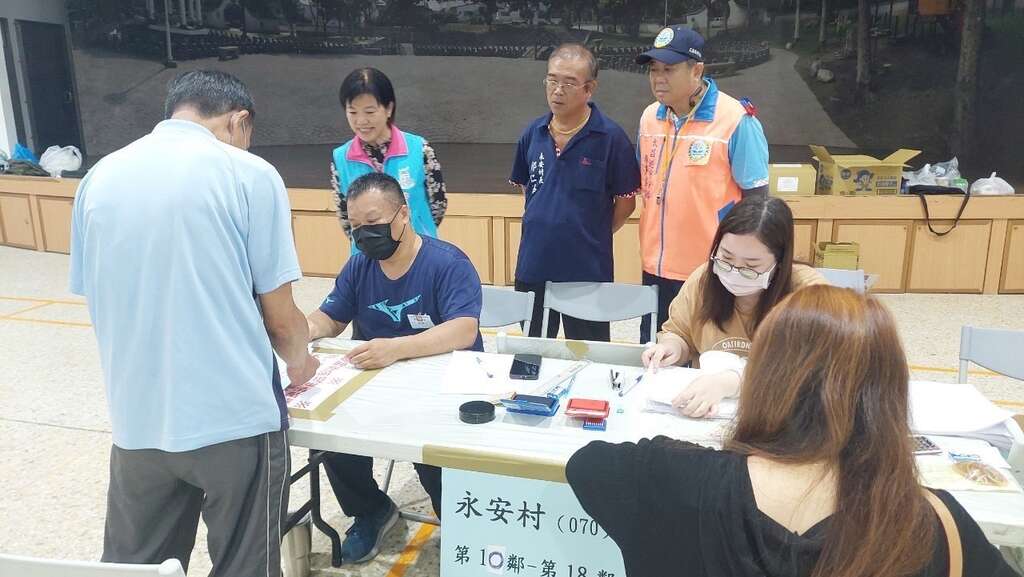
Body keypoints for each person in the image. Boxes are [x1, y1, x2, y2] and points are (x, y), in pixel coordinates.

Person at [568, 285, 1018, 577]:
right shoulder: (931, 524)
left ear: (763, 377)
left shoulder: (664, 476)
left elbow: (585, 464)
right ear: (887, 395)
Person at [69, 70, 318, 576]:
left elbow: (98, 297)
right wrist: (300, 361)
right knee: (244, 565)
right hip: (234, 420)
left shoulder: (100, 177)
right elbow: (279, 317)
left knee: (136, 568)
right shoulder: (249, 174)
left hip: (137, 421)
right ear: (239, 121)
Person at [306, 172, 482, 564]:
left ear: (403, 214)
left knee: (434, 457)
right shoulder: (359, 267)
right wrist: (303, 328)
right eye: (356, 227)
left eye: (373, 223)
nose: (365, 235)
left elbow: (464, 329)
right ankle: (370, 510)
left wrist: (397, 349)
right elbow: (330, 317)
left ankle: (458, 520)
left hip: (440, 388)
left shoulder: (447, 263)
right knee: (328, 437)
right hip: (374, 384)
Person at [634, 26, 770, 340]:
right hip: (655, 266)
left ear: (697, 70)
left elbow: (758, 204)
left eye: (668, 69)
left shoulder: (735, 119)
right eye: (653, 70)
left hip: (712, 270)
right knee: (656, 350)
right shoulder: (649, 118)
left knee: (707, 351)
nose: (658, 78)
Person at [642, 196, 826, 418]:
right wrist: (672, 348)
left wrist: (730, 382)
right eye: (726, 258)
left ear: (780, 263)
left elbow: (812, 367)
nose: (734, 271)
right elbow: (680, 332)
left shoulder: (808, 293)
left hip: (778, 415)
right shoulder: (704, 279)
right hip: (706, 411)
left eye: (751, 266)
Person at [510, 43, 640, 342]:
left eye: (568, 83)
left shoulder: (611, 138)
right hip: (534, 264)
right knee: (533, 352)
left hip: (586, 270)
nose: (557, 90)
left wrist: (591, 231)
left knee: (588, 354)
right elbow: (528, 190)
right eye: (552, 80)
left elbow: (626, 203)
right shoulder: (533, 133)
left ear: (589, 88)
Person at [332, 67, 447, 255]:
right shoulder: (340, 158)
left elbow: (438, 205)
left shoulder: (419, 149)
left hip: (419, 255)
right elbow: (346, 218)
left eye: (370, 112)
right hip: (367, 258)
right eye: (352, 112)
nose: (361, 121)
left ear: (389, 109)